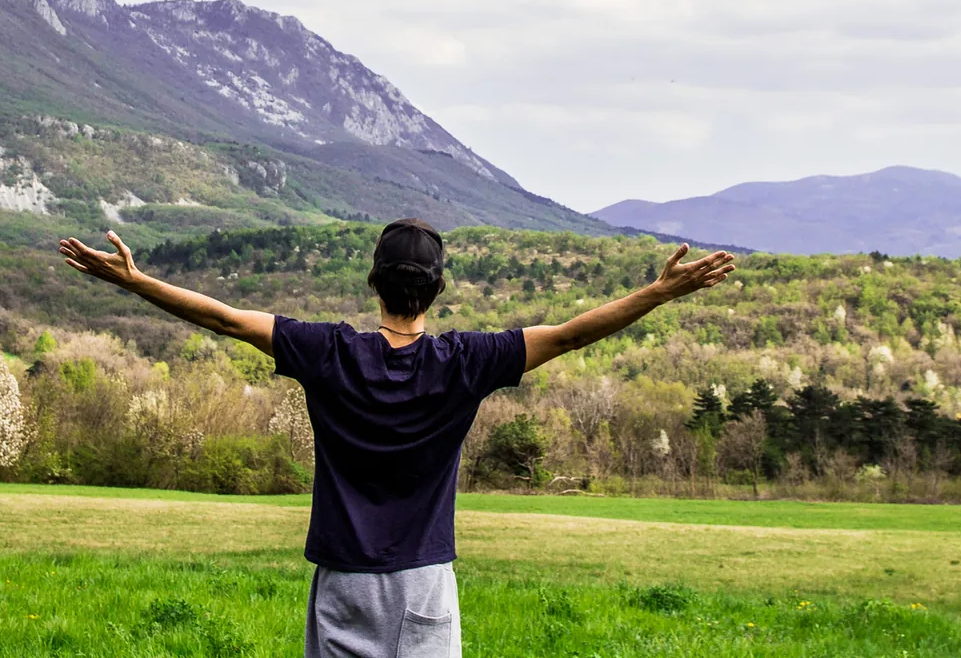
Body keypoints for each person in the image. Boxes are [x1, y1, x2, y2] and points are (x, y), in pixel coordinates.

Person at [58, 218, 735, 657]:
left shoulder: (327, 353)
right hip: (424, 588)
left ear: (374, 282)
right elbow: (570, 334)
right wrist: (659, 293)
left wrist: (136, 280)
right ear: (436, 291)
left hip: (344, 584)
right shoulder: (464, 362)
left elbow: (228, 321)